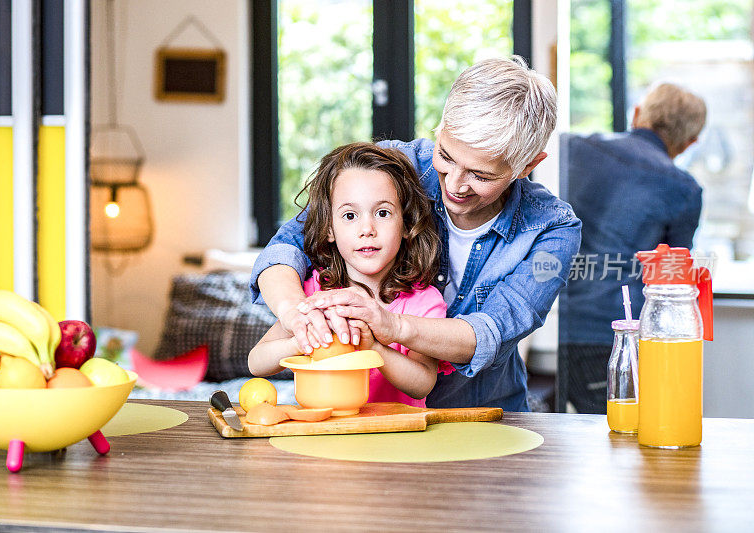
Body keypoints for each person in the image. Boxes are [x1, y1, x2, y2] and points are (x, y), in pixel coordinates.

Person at [250, 56, 582, 411]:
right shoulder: (393, 167)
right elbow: (288, 246)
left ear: (528, 165)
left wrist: (388, 327)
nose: (455, 185)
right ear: (440, 129)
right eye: (446, 155)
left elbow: (492, 331)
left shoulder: (553, 228)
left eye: (481, 175)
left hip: (481, 411)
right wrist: (297, 316)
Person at [248, 142, 452, 407]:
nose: (367, 228)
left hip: (393, 439)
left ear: (406, 224)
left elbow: (422, 383)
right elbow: (256, 362)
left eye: (382, 213)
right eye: (349, 215)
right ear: (329, 229)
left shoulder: (423, 302)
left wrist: (375, 348)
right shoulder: (314, 294)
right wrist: (302, 338)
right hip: (322, 433)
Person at [560, 82, 707, 413]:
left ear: (638, 113)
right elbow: (672, 278)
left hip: (541, 325)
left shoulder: (569, 147)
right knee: (619, 442)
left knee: (540, 444)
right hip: (612, 336)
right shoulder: (684, 189)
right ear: (688, 143)